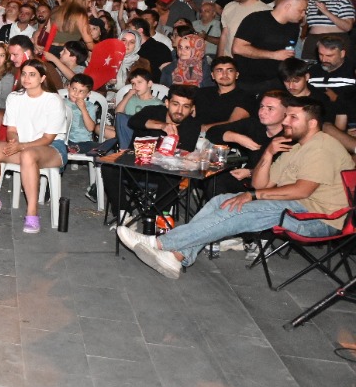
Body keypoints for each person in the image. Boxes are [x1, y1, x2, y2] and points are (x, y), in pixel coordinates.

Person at [119, 98, 354, 279]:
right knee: (219, 201)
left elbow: (302, 191)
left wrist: (252, 195)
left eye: (293, 117)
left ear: (312, 123)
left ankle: (159, 243)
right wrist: (269, 153)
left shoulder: (321, 147)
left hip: (320, 218)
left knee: (239, 208)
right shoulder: (295, 147)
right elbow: (260, 184)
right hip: (297, 206)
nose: (285, 122)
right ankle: (176, 257)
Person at [0, 59, 67, 234]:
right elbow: (11, 130)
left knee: (28, 155)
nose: (26, 78)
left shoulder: (53, 100)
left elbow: (48, 138)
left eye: (32, 75)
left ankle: (32, 212)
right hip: (23, 145)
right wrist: (14, 142)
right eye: (24, 74)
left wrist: (21, 146)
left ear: (42, 78)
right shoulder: (15, 97)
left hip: (51, 148)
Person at [233, 0, 307, 93]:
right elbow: (238, 48)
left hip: (277, 81)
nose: (303, 14)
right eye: (301, 10)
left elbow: (288, 52)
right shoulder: (256, 19)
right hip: (249, 81)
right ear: (287, 6)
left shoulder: (294, 27)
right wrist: (273, 55)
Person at [126, 84, 203, 152]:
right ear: (167, 103)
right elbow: (133, 122)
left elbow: (184, 154)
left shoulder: (193, 125)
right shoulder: (152, 111)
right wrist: (162, 126)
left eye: (186, 106)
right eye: (175, 104)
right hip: (137, 159)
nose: (180, 111)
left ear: (192, 109)